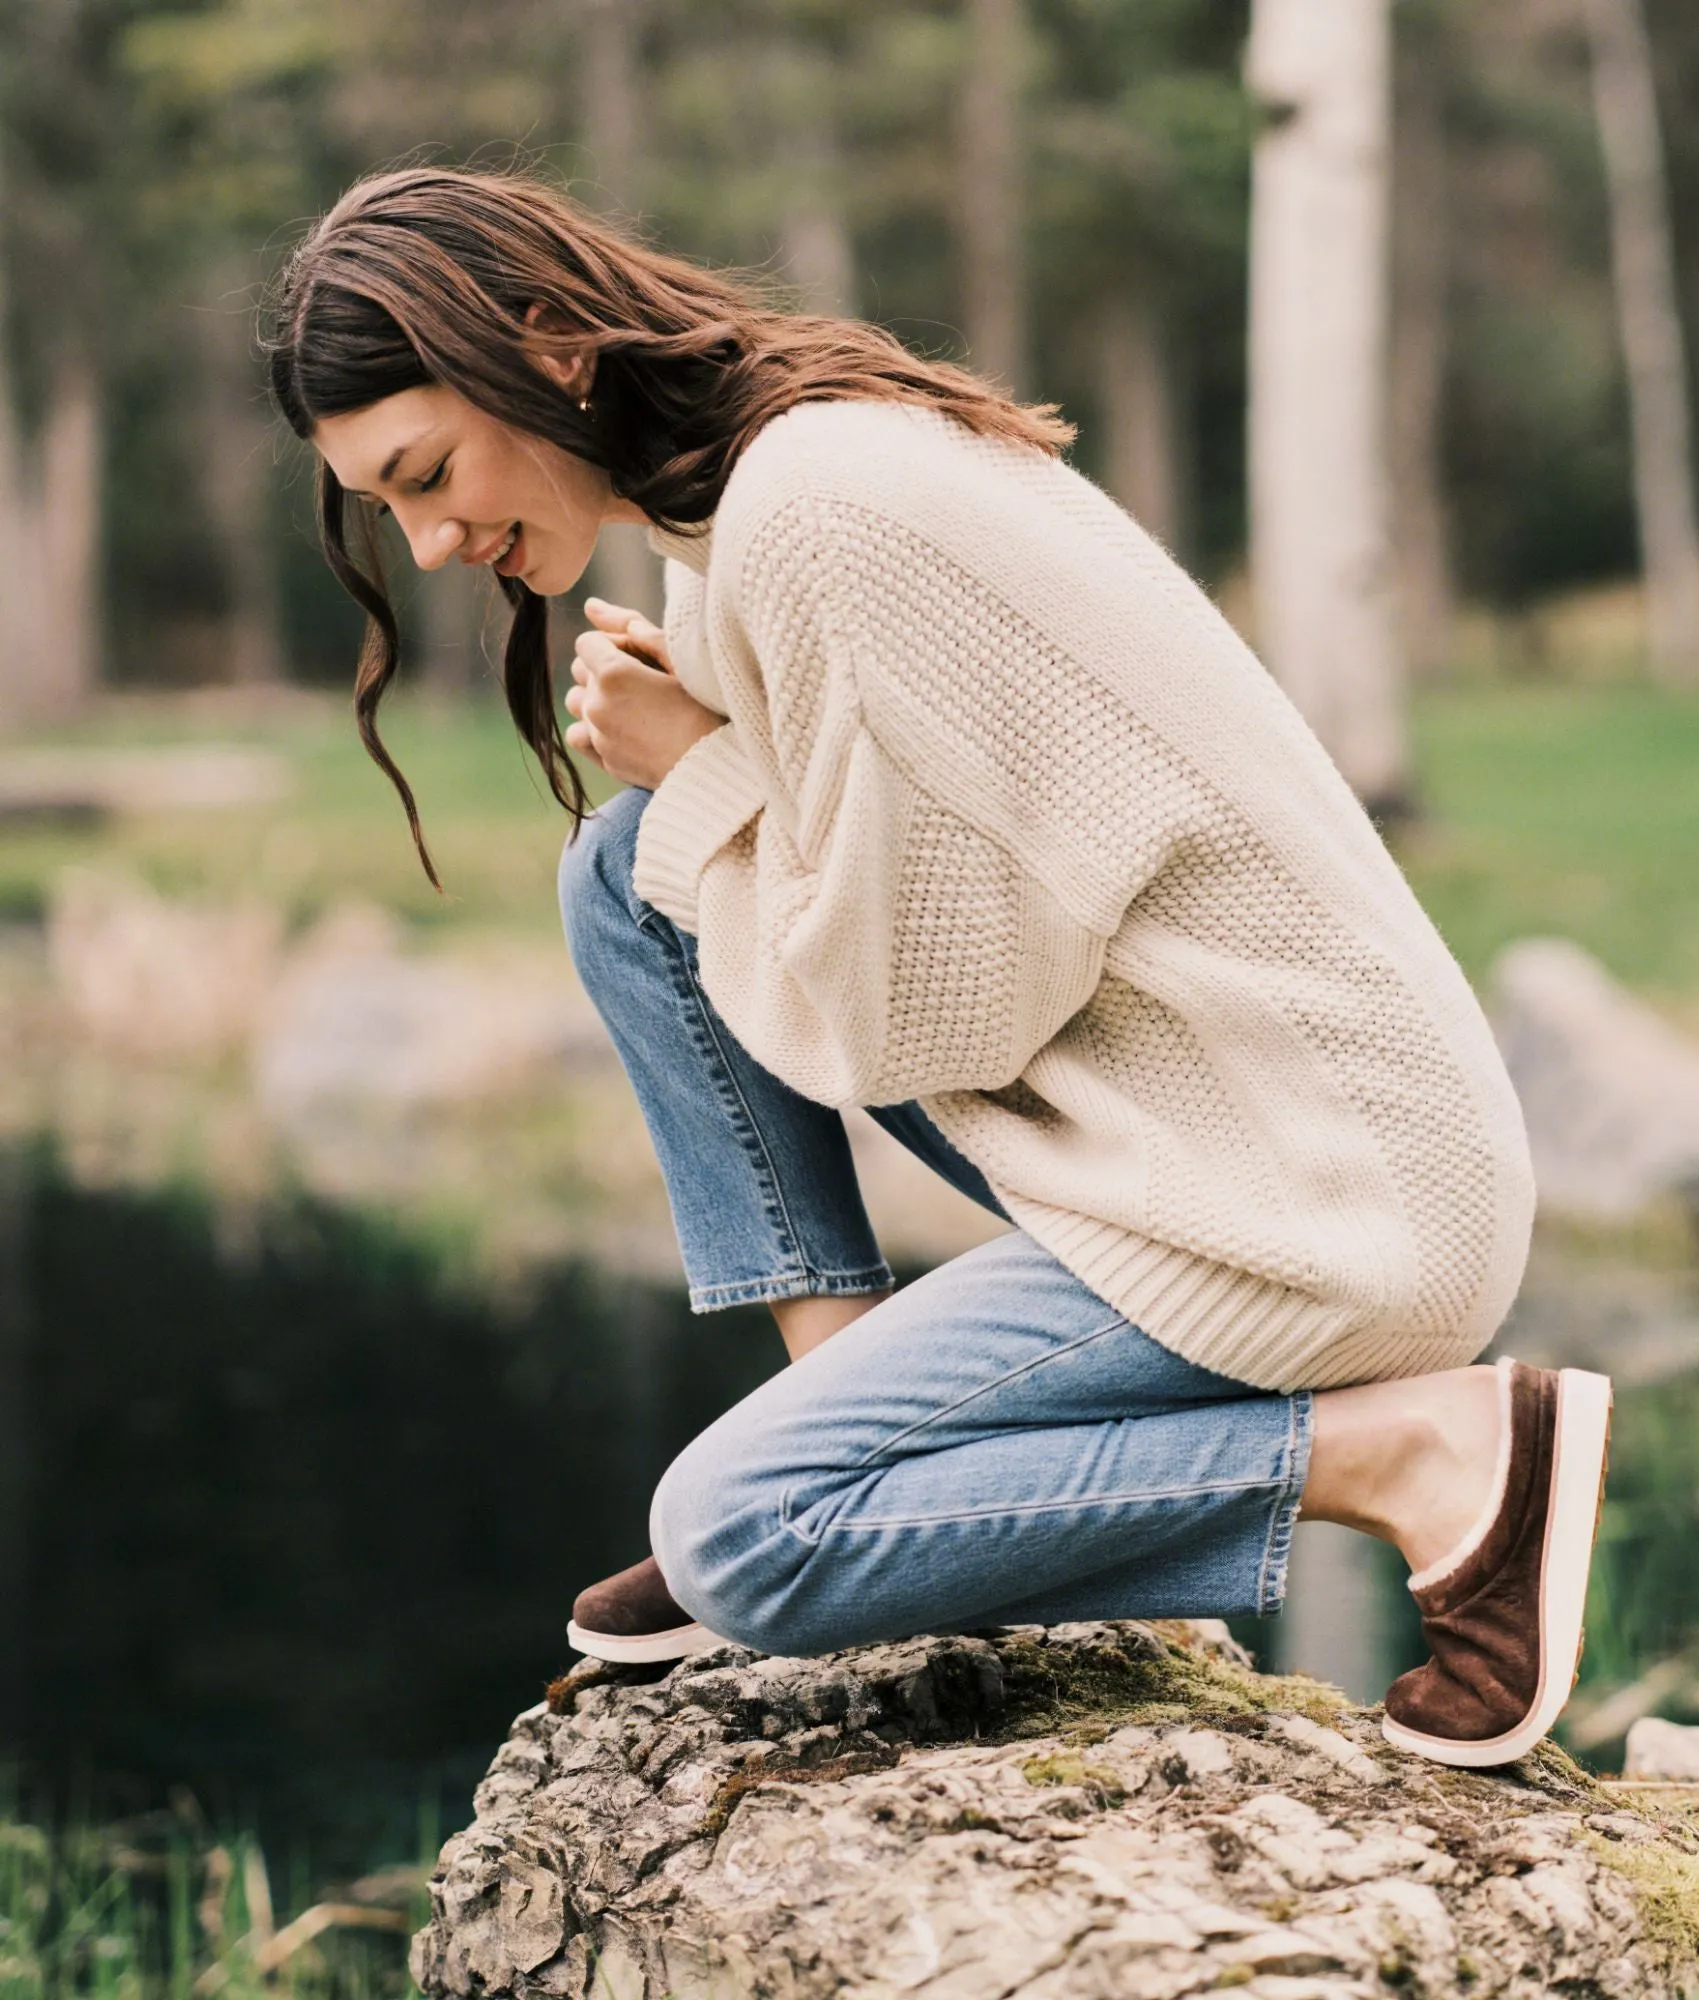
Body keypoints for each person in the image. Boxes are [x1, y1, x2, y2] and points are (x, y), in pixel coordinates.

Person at [264, 165, 1610, 1769]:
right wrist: (695, 782)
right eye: (385, 507)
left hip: (1315, 1202)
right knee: (621, 879)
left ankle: (1423, 1458)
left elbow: (919, 1012)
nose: (424, 545)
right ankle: (872, 1455)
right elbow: (890, 922)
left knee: (747, 1534)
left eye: (425, 472)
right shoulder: (748, 513)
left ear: (547, 342)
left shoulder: (812, 512)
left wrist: (698, 772)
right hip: (1220, 1143)